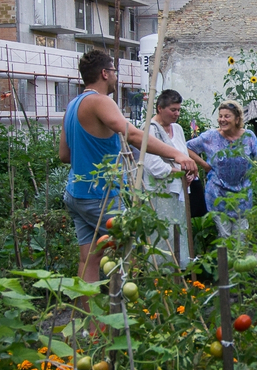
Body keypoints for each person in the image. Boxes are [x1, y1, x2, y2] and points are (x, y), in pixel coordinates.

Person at [59, 50, 198, 307]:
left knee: (88, 260)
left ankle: (91, 329)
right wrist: (178, 155)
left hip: (77, 193)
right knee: (130, 255)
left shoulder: (72, 105)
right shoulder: (100, 101)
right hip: (102, 194)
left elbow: (65, 154)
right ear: (104, 73)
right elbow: (134, 136)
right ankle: (127, 319)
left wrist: (94, 151)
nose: (115, 77)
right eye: (114, 71)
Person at [185, 100, 257, 245]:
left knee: (241, 236)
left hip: (242, 193)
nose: (222, 120)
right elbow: (188, 148)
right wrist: (205, 165)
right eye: (220, 116)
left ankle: (238, 266)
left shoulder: (248, 136)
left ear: (237, 119)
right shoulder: (210, 137)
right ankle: (226, 266)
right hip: (217, 192)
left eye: (227, 116)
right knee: (225, 236)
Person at [142, 89, 196, 270]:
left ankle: (180, 272)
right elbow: (153, 164)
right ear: (159, 108)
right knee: (162, 234)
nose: (177, 114)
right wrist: (178, 171)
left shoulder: (178, 129)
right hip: (159, 192)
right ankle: (160, 274)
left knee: (179, 231)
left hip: (179, 191)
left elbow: (184, 155)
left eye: (179, 110)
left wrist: (188, 172)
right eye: (173, 110)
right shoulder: (150, 128)